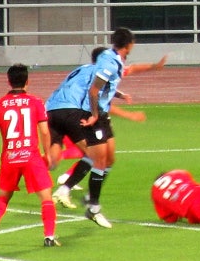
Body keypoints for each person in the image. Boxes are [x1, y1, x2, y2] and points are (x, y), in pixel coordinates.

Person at [47, 28, 138, 229]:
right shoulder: (101, 69)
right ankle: (78, 195)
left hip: (51, 110)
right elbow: (94, 91)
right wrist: (97, 114)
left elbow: (96, 87)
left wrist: (120, 95)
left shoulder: (80, 69)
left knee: (56, 158)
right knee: (95, 156)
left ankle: (53, 183)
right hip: (73, 112)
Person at [51, 46, 164, 201]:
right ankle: (65, 188)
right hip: (87, 115)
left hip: (60, 111)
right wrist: (130, 115)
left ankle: (86, 193)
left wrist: (154, 67)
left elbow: (130, 70)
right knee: (96, 155)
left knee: (108, 158)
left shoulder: (89, 69)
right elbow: (100, 100)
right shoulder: (101, 71)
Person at [0, 64, 59, 248]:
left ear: (8, 81)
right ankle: (49, 236)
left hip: (10, 158)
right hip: (31, 157)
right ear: (27, 81)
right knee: (46, 198)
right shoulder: (35, 102)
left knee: (3, 197)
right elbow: (45, 132)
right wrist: (47, 154)